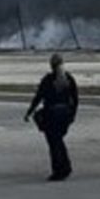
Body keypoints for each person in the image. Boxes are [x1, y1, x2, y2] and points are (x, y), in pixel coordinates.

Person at [24, 53, 80, 181]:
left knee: (54, 144)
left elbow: (38, 97)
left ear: (51, 65)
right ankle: (65, 167)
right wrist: (72, 115)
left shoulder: (48, 80)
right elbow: (75, 100)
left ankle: (58, 170)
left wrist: (29, 112)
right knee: (59, 141)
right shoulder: (69, 79)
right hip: (65, 115)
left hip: (52, 115)